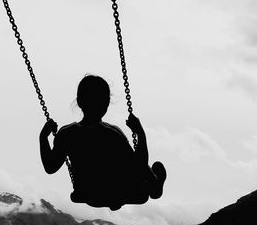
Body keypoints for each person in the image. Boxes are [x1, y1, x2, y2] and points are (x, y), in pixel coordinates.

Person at [39, 75, 166, 210]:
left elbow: (50, 167)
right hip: (121, 192)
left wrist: (43, 137)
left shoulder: (66, 134)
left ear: (79, 102)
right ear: (106, 104)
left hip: (88, 195)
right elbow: (139, 168)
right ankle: (154, 184)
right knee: (140, 170)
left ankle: (151, 183)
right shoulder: (113, 134)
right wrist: (140, 133)